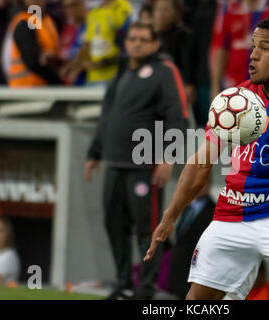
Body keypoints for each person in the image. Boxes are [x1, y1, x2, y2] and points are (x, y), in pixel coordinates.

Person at [145, 15, 269, 300]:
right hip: (231, 215)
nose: (253, 55)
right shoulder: (235, 99)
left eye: (265, 48)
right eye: (253, 46)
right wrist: (171, 215)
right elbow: (201, 162)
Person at [84, 22, 188, 300]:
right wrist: (95, 153)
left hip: (145, 165)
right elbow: (107, 115)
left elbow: (177, 116)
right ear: (126, 42)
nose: (137, 43)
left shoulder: (165, 72)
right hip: (114, 163)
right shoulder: (122, 72)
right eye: (133, 38)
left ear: (156, 44)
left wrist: (169, 156)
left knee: (148, 228)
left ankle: (146, 288)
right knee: (114, 225)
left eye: (144, 39)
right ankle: (123, 283)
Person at [210, 0, 269, 99]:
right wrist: (215, 87)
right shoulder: (231, 9)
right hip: (234, 84)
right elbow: (221, 49)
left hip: (266, 85)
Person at [167, 182, 215, 299]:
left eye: (202, 182)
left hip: (197, 272)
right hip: (179, 271)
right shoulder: (187, 207)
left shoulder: (214, 210)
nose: (198, 186)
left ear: (209, 184)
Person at [3, 0, 62, 87]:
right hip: (26, 88)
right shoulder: (23, 22)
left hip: (44, 87)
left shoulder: (47, 21)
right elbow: (32, 61)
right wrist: (58, 80)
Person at [78, 0, 132, 86]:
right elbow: (87, 44)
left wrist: (105, 62)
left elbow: (127, 47)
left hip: (114, 77)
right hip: (92, 78)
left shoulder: (123, 7)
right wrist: (85, 62)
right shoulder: (93, 12)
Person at [152, 0, 190, 78]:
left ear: (175, 13)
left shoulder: (183, 35)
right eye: (159, 9)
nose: (162, 14)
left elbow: (187, 63)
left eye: (166, 9)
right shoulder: (150, 35)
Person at [58, 0, 87, 85]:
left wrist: (77, 67)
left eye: (73, 5)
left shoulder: (90, 26)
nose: (70, 10)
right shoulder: (67, 29)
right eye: (66, 7)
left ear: (82, 4)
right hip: (68, 85)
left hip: (86, 84)